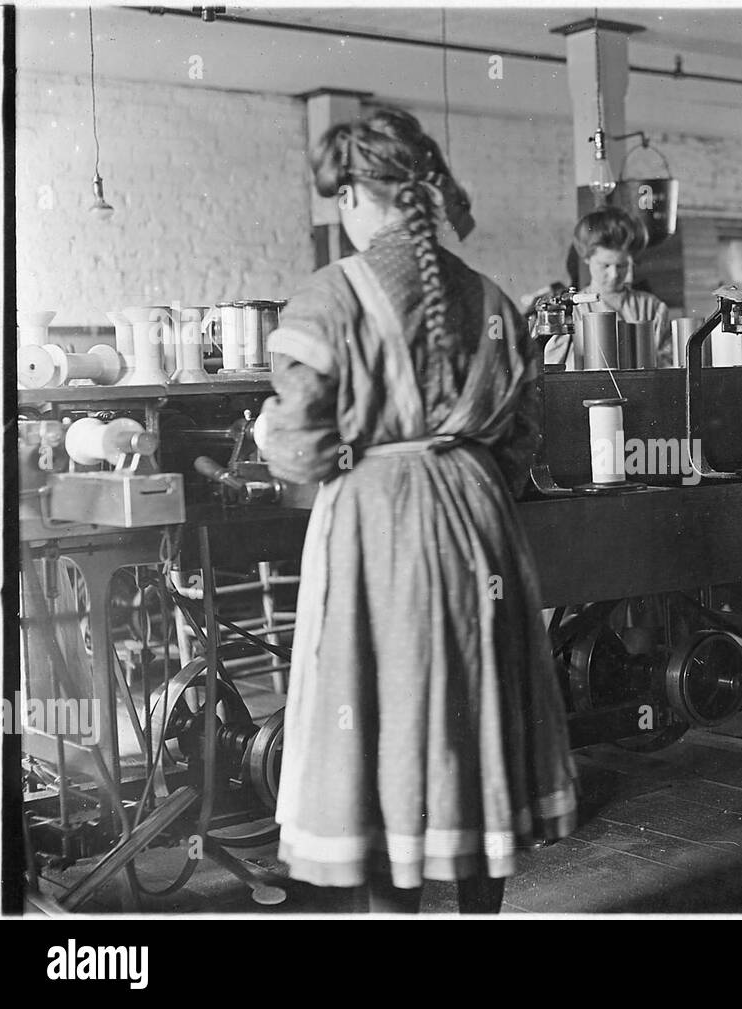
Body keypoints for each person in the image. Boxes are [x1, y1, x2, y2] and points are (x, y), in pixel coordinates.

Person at [257, 107, 578, 913]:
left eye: (343, 199)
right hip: (480, 528)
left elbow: (297, 445)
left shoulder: (330, 296)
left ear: (362, 196)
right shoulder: (497, 299)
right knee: (478, 722)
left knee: (376, 727)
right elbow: (521, 441)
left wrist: (292, 443)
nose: (342, 214)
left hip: (378, 533)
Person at [543, 206, 671, 368]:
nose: (614, 274)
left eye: (622, 265)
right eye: (605, 265)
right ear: (587, 258)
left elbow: (669, 366)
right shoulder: (571, 311)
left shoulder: (653, 308)